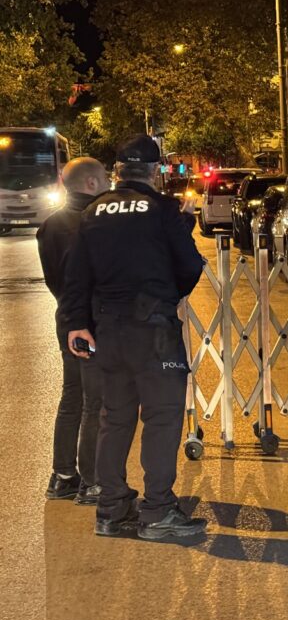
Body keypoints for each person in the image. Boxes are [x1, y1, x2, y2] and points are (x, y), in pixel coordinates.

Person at [62, 134, 206, 539]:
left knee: (115, 417)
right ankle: (158, 509)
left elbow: (75, 274)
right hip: (153, 328)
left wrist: (77, 322)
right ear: (155, 171)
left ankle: (111, 509)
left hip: (108, 329)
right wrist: (168, 294)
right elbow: (189, 266)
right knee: (162, 416)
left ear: (118, 170)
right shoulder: (162, 209)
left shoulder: (93, 211)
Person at [36, 157, 108, 504]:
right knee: (96, 401)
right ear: (91, 183)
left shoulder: (50, 225)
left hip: (66, 318)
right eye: (104, 178)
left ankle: (63, 475)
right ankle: (92, 482)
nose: (108, 183)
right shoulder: (95, 221)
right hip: (91, 323)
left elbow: (53, 278)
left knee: (72, 397)